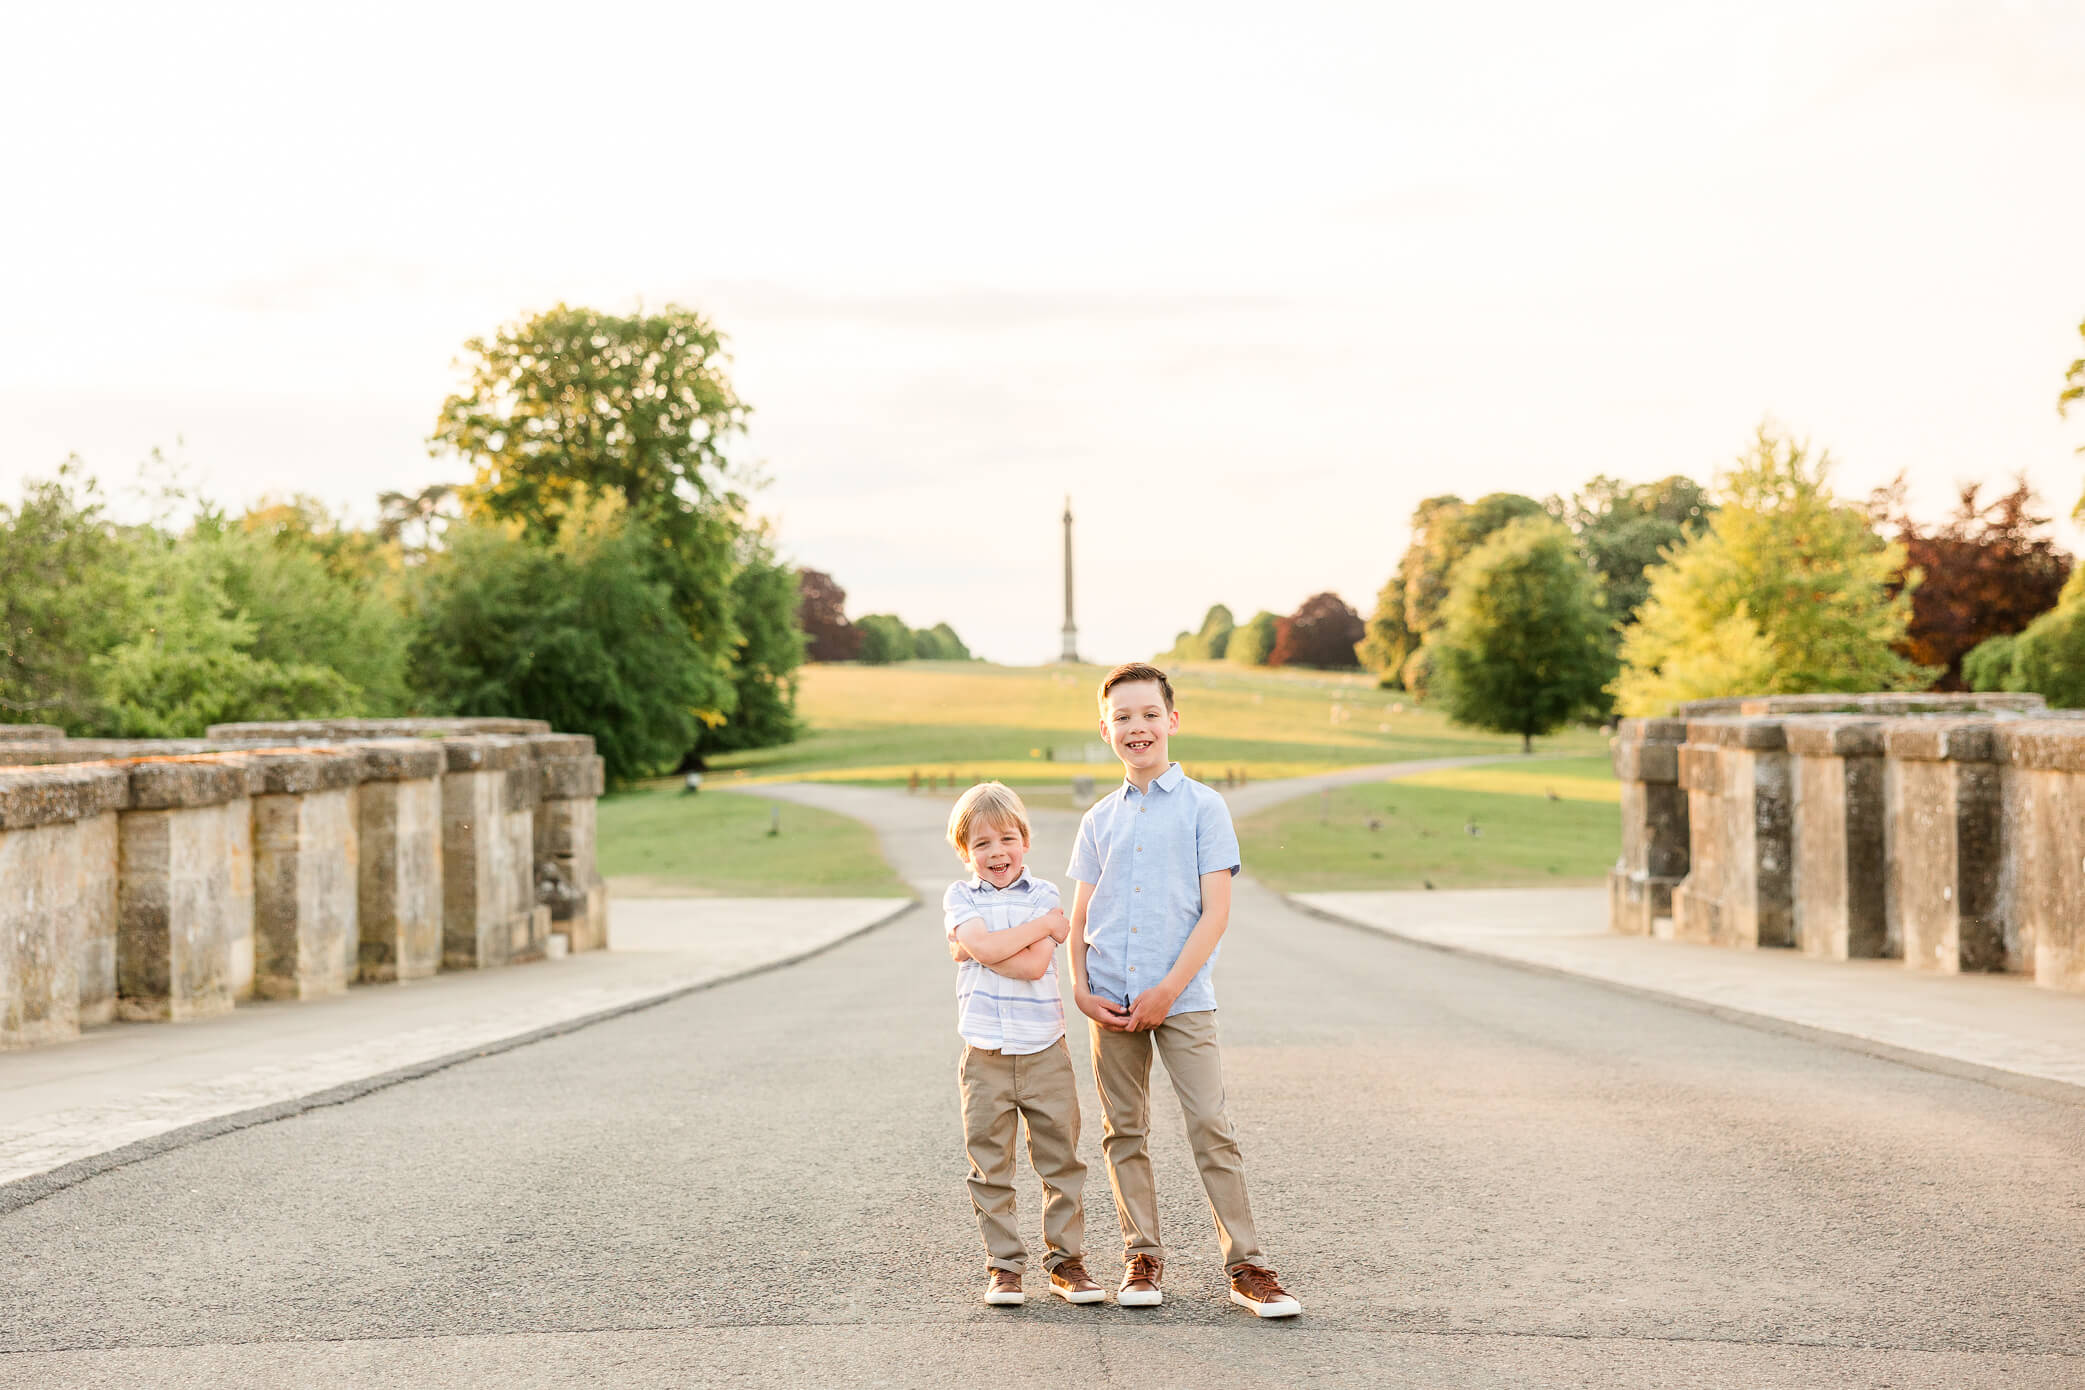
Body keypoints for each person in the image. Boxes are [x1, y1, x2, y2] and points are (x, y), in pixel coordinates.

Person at [1066, 663, 1302, 1318]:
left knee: (1210, 1126)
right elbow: (1080, 917)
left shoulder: (1204, 806)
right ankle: (1141, 1259)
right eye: (1122, 717)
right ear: (1106, 728)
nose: (1135, 727)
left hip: (1183, 996)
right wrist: (1081, 990)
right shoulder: (1098, 819)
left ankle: (1247, 1266)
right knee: (1124, 1130)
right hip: (1109, 997)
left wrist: (1168, 989)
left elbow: (1215, 912)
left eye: (1148, 714)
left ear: (1171, 721)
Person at [941, 781, 1104, 1307]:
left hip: (1043, 1051)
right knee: (990, 1166)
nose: (996, 853)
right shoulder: (960, 896)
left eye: (1006, 839)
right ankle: (1004, 1267)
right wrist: (1038, 930)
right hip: (984, 1054)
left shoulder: (1046, 893)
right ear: (966, 852)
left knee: (1060, 1160)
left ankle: (1066, 1263)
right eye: (981, 844)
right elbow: (991, 946)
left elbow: (1033, 965)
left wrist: (979, 950)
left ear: (1025, 841)